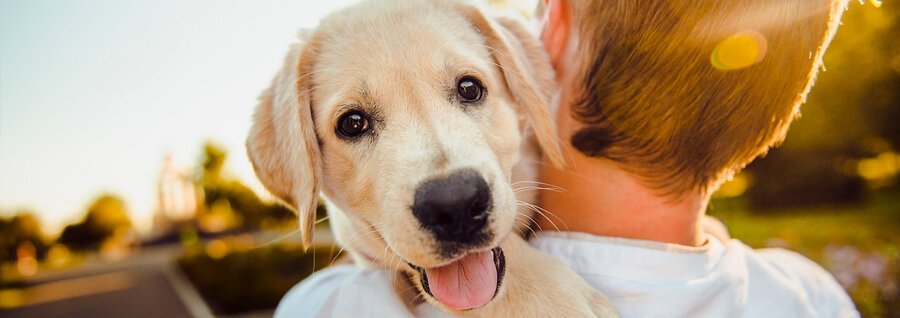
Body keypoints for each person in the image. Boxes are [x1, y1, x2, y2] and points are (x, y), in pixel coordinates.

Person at [275, 0, 859, 316]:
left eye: (470, 90)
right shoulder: (812, 296)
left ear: (551, 30)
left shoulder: (327, 307)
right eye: (355, 123)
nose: (449, 187)